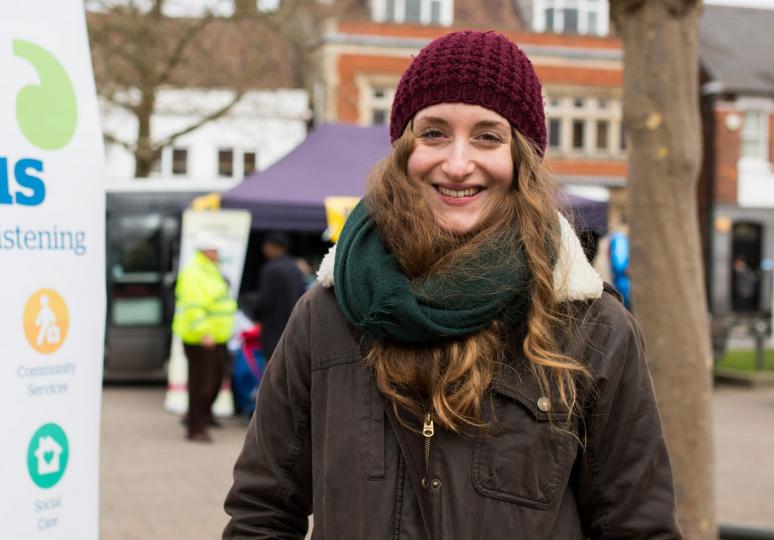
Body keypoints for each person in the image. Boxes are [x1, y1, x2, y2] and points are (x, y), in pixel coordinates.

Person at [223, 31, 678, 538]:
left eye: (488, 136)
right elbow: (261, 512)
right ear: (402, 151)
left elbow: (639, 527)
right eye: (434, 133)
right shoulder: (326, 314)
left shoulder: (593, 327)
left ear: (521, 158)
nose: (458, 164)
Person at [173, 233, 238, 443]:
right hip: (202, 339)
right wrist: (204, 333)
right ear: (206, 251)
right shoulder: (195, 272)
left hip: (216, 337)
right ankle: (196, 427)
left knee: (216, 378)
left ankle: (203, 417)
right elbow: (193, 306)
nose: (217, 254)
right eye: (215, 251)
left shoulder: (210, 270)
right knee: (202, 383)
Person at [253, 232, 307, 364]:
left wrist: (255, 313)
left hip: (273, 330)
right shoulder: (295, 268)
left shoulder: (270, 269)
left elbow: (265, 302)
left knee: (272, 371)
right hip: (293, 329)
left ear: (273, 247)